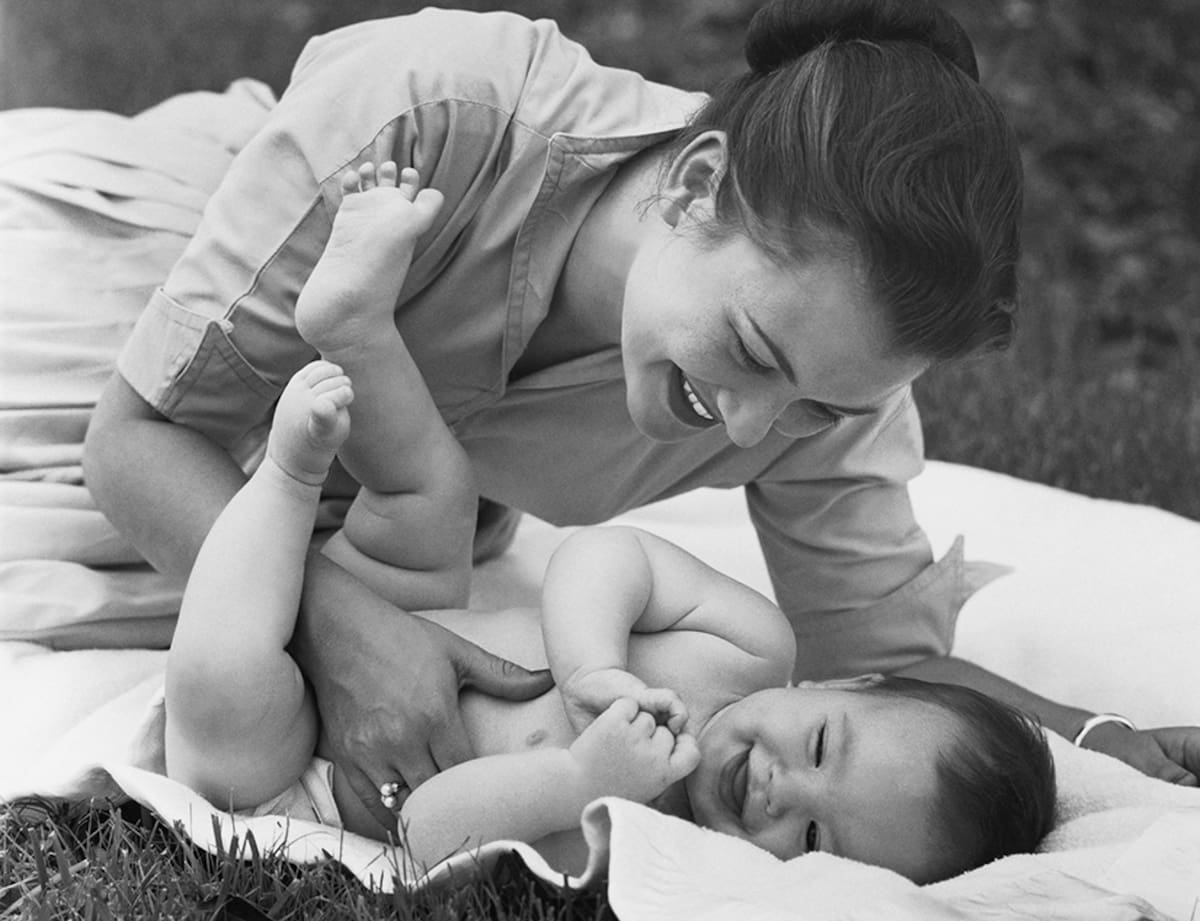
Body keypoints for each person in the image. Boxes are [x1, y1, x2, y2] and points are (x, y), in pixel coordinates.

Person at [83, 0, 1200, 819]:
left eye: (814, 407)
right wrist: (342, 630)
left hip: (362, 501)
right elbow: (135, 441)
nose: (751, 430)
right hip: (146, 298)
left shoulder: (833, 388)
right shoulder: (440, 115)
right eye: (752, 353)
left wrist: (1098, 741)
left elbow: (878, 673)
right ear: (696, 183)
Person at [164, 162, 1055, 883]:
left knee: (229, 678)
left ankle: (284, 478)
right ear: (843, 685)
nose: (782, 791)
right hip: (418, 604)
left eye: (817, 838)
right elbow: (607, 557)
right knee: (435, 490)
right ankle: (356, 327)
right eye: (821, 744)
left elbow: (422, 831)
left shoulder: (646, 842)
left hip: (302, 766)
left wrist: (577, 778)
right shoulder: (748, 646)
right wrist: (592, 666)